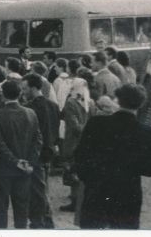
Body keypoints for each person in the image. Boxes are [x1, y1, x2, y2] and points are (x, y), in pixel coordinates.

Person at [75, 84, 151, 229]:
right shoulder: (147, 133)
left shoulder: (96, 123)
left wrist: (88, 177)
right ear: (140, 104)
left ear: (117, 100)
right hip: (127, 192)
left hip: (97, 188)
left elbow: (80, 155)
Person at [0, 80, 40, 229]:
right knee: (22, 210)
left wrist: (14, 161)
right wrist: (30, 162)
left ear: (3, 95)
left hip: (3, 169)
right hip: (25, 169)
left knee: (1, 209)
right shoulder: (31, 113)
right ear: (20, 94)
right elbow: (38, 141)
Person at [22, 73, 60, 229]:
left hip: (36, 154)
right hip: (49, 152)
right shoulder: (53, 105)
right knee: (44, 188)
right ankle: (47, 219)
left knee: (36, 191)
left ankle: (39, 223)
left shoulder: (30, 109)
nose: (23, 92)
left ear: (32, 87)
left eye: (25, 88)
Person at [58, 77, 90, 213]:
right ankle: (79, 199)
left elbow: (73, 124)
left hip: (73, 140)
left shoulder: (71, 102)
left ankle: (75, 201)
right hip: (86, 140)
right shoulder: (88, 101)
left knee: (72, 170)